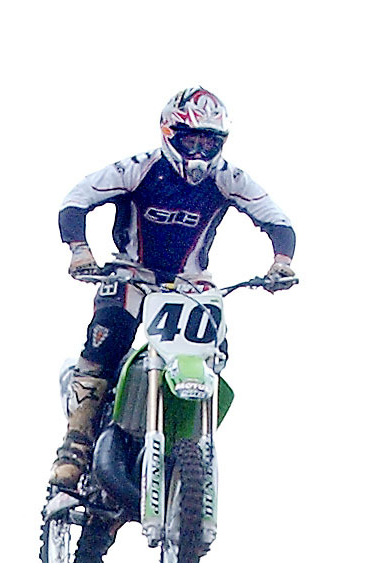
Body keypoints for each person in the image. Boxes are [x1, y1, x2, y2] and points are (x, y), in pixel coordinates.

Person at [50, 86, 298, 487]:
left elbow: (277, 220)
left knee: (215, 349)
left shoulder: (228, 177)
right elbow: (76, 200)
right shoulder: (140, 167)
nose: (200, 151)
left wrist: (281, 262)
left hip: (190, 285)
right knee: (107, 338)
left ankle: (183, 439)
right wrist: (79, 251)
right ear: (170, 134)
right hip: (131, 272)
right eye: (191, 140)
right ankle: (75, 446)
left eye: (208, 142)